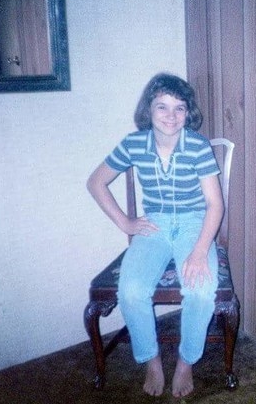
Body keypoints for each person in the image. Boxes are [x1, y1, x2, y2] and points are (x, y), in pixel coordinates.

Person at [87, 73, 224, 398]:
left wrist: (200, 250)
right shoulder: (134, 144)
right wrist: (126, 222)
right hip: (155, 224)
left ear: (188, 113)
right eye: (162, 106)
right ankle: (151, 360)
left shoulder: (197, 145)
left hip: (194, 223)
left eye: (179, 108)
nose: (171, 115)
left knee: (202, 290)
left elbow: (215, 204)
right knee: (131, 290)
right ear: (148, 110)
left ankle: (186, 361)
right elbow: (96, 182)